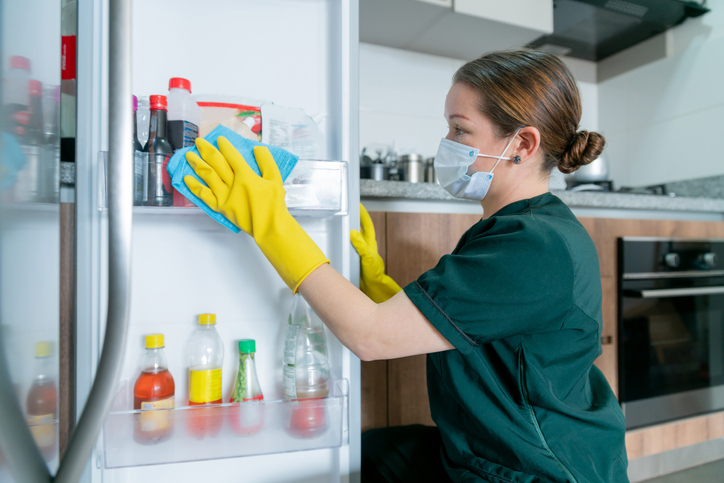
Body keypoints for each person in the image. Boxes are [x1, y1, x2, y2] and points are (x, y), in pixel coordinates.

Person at [183, 49, 629, 482]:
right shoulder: (521, 228)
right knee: (376, 454)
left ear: (522, 144)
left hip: (536, 468)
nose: (447, 145)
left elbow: (371, 337)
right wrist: (381, 286)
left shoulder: (534, 246)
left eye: (460, 130)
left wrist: (270, 224)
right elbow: (466, 325)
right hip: (493, 447)